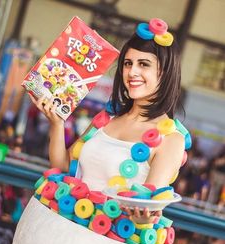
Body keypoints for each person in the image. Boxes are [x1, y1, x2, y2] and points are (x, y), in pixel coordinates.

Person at [29, 18, 186, 224]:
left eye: (144, 64)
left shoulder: (171, 139)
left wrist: (144, 217)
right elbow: (63, 165)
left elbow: (146, 211)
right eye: (128, 63)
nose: (132, 72)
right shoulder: (105, 119)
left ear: (164, 74)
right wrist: (56, 124)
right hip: (65, 228)